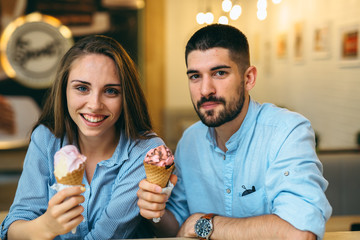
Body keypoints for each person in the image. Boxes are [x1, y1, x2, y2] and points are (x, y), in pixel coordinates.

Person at [137, 24, 332, 239]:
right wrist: (155, 211)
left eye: (219, 73)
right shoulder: (190, 141)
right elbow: (178, 229)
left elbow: (300, 234)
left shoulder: (287, 132)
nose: (205, 90)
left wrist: (203, 224)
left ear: (248, 79)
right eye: (195, 76)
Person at [1, 35, 165, 239]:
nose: (95, 104)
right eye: (82, 88)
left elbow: (106, 235)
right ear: (64, 89)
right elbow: (14, 228)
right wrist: (46, 227)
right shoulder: (46, 138)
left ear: (126, 97)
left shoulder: (146, 151)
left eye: (111, 91)